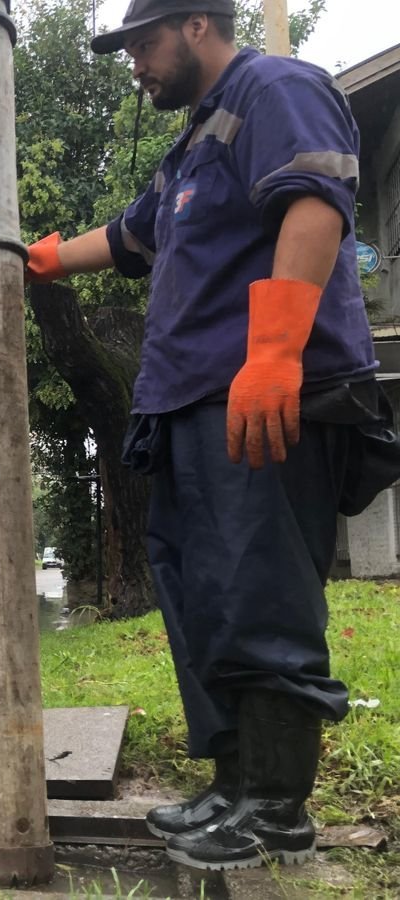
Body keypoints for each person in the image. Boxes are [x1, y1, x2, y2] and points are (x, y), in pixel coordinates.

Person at [25, 0, 400, 871]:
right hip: (191, 402)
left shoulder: (273, 86)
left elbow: (315, 201)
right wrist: (40, 256)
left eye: (144, 45)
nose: (136, 67)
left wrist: (273, 352)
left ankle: (276, 809)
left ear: (198, 25)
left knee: (260, 595)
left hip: (261, 394)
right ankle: (236, 788)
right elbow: (130, 238)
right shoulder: (192, 146)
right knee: (208, 601)